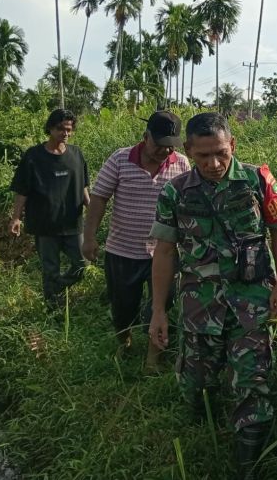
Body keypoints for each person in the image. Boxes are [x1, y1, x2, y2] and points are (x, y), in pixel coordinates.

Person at [148, 112, 277, 479]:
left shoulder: (259, 180)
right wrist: (159, 312)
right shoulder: (175, 192)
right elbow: (164, 252)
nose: (213, 164)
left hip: (251, 299)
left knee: (252, 379)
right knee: (196, 379)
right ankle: (198, 412)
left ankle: (246, 462)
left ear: (233, 146)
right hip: (200, 303)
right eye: (203, 156)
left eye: (221, 153)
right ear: (189, 152)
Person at [82, 111, 191, 363]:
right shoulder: (120, 159)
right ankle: (125, 342)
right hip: (123, 250)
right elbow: (99, 199)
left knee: (161, 306)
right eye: (159, 145)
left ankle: (153, 359)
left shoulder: (182, 163)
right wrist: (89, 237)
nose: (165, 152)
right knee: (122, 307)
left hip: (163, 253)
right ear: (145, 136)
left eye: (169, 147)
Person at [9, 108, 90, 309]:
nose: (65, 134)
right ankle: (52, 308)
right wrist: (16, 218)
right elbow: (22, 190)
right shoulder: (33, 156)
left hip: (73, 222)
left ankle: (58, 288)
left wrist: (93, 209)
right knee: (50, 268)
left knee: (82, 264)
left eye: (69, 130)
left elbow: (84, 186)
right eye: (60, 129)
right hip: (45, 224)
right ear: (50, 129)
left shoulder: (76, 154)